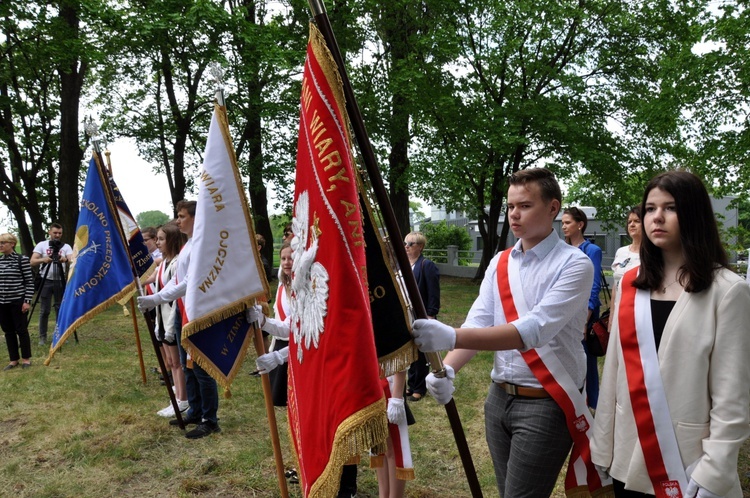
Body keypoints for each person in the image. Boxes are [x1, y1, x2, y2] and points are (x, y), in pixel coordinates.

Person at [411, 168, 595, 496]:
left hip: (546, 401)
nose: (513, 214)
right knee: (506, 489)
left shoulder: (575, 265)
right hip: (497, 398)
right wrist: (450, 366)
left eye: (524, 205)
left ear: (553, 208)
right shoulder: (500, 261)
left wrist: (451, 336)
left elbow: (533, 329)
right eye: (511, 206)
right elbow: (478, 322)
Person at [591, 171, 750, 497]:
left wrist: (715, 471)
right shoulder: (629, 285)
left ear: (694, 214)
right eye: (650, 208)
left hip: (688, 464)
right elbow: (613, 374)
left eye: (671, 207)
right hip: (626, 454)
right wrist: (602, 445)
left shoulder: (729, 291)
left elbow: (732, 397)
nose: (657, 217)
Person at [137, 200, 221, 439]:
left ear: (195, 217)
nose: (178, 220)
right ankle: (194, 410)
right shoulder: (188, 245)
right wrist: (158, 297)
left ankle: (210, 419)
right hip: (182, 312)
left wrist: (158, 299)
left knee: (201, 368)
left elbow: (188, 283)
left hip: (197, 313)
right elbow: (178, 279)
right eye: (178, 215)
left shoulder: (200, 245)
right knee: (187, 366)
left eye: (182, 216)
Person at [561, 206, 602, 410]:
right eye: (562, 223)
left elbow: (594, 288)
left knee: (587, 360)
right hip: (565, 312)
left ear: (580, 224)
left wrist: (585, 321)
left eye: (568, 222)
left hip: (585, 314)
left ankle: (592, 404)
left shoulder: (592, 250)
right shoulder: (561, 250)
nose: (563, 227)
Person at [153, 222, 188, 418]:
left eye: (161, 239)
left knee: (177, 362)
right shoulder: (163, 263)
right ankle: (176, 397)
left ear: (172, 240)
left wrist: (170, 327)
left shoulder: (176, 264)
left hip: (172, 321)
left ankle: (182, 400)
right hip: (161, 319)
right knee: (170, 361)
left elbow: (175, 298)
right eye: (156, 239)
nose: (158, 243)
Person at [403, 232, 440, 403]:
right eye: (406, 243)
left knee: (421, 352)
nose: (407, 246)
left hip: (422, 314)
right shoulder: (404, 265)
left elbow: (433, 293)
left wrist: (431, 314)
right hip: (407, 314)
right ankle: (411, 385)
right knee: (411, 350)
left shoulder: (427, 265)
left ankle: (419, 387)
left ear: (420, 246)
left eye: (411, 243)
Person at [30, 223, 73, 345]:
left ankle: (61, 335)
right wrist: (44, 259)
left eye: (60, 233)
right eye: (55, 233)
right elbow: (32, 261)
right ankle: (42, 337)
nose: (57, 235)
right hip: (46, 280)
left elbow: (72, 259)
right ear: (49, 232)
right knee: (45, 310)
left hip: (60, 280)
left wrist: (65, 259)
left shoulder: (65, 246)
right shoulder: (42, 245)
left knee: (60, 309)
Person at [0, 233, 34, 370]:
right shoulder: (0, 261)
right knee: (8, 331)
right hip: (2, 302)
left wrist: (27, 301)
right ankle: (13, 359)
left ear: (12, 244)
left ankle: (26, 359)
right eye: (0, 242)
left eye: (3, 242)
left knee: (21, 330)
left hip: (17, 301)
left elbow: (29, 282)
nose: (1, 245)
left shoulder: (22, 260)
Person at [610, 206, 642, 308]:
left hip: (637, 312)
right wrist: (611, 317)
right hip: (618, 311)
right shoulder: (621, 252)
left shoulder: (653, 254)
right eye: (629, 222)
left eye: (637, 221)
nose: (632, 225)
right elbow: (616, 286)